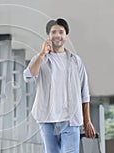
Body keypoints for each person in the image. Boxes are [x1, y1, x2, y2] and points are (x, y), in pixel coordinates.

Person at [23, 18, 95, 153]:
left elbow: (84, 92)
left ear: (66, 36)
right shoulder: (40, 59)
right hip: (47, 119)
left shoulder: (75, 61)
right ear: (48, 36)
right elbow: (28, 77)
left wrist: (87, 121)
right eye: (53, 32)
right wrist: (42, 54)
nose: (57, 35)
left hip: (70, 120)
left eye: (61, 32)